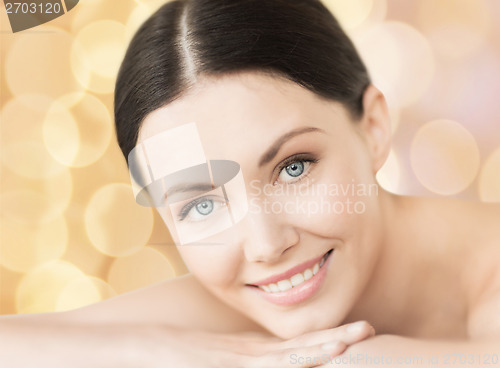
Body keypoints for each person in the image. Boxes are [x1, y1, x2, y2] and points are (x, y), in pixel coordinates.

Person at [1, 0, 499, 367]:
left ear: (373, 128)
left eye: (294, 167)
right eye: (200, 204)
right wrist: (152, 350)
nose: (264, 245)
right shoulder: (239, 302)